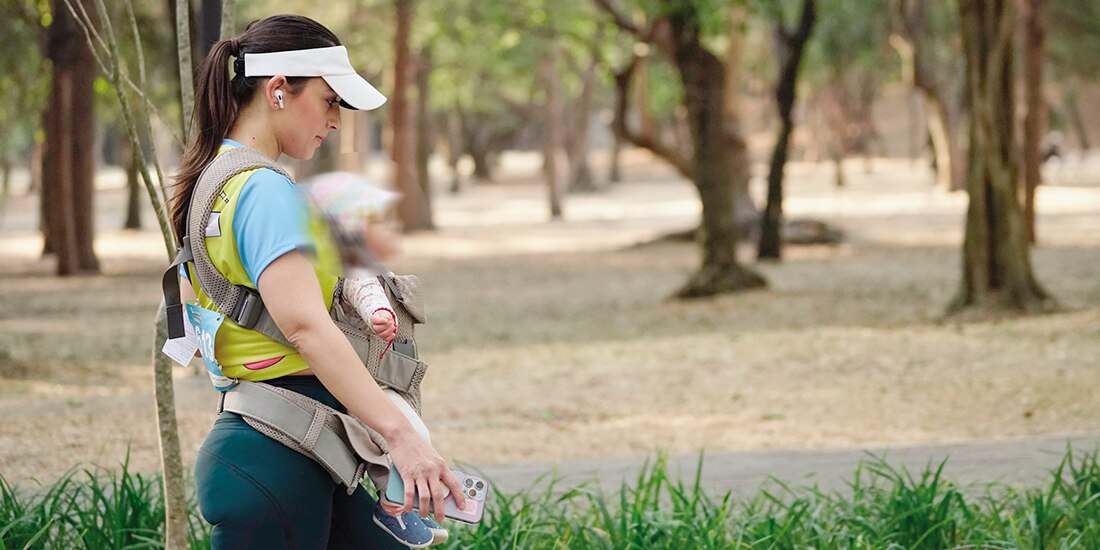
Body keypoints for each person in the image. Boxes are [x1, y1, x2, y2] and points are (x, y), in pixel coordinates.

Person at [169, 14, 463, 549]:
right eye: (330, 101)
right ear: (278, 89)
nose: (335, 121)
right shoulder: (263, 189)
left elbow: (197, 313)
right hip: (281, 459)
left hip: (296, 449)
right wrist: (401, 438)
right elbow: (304, 326)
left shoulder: (213, 178)